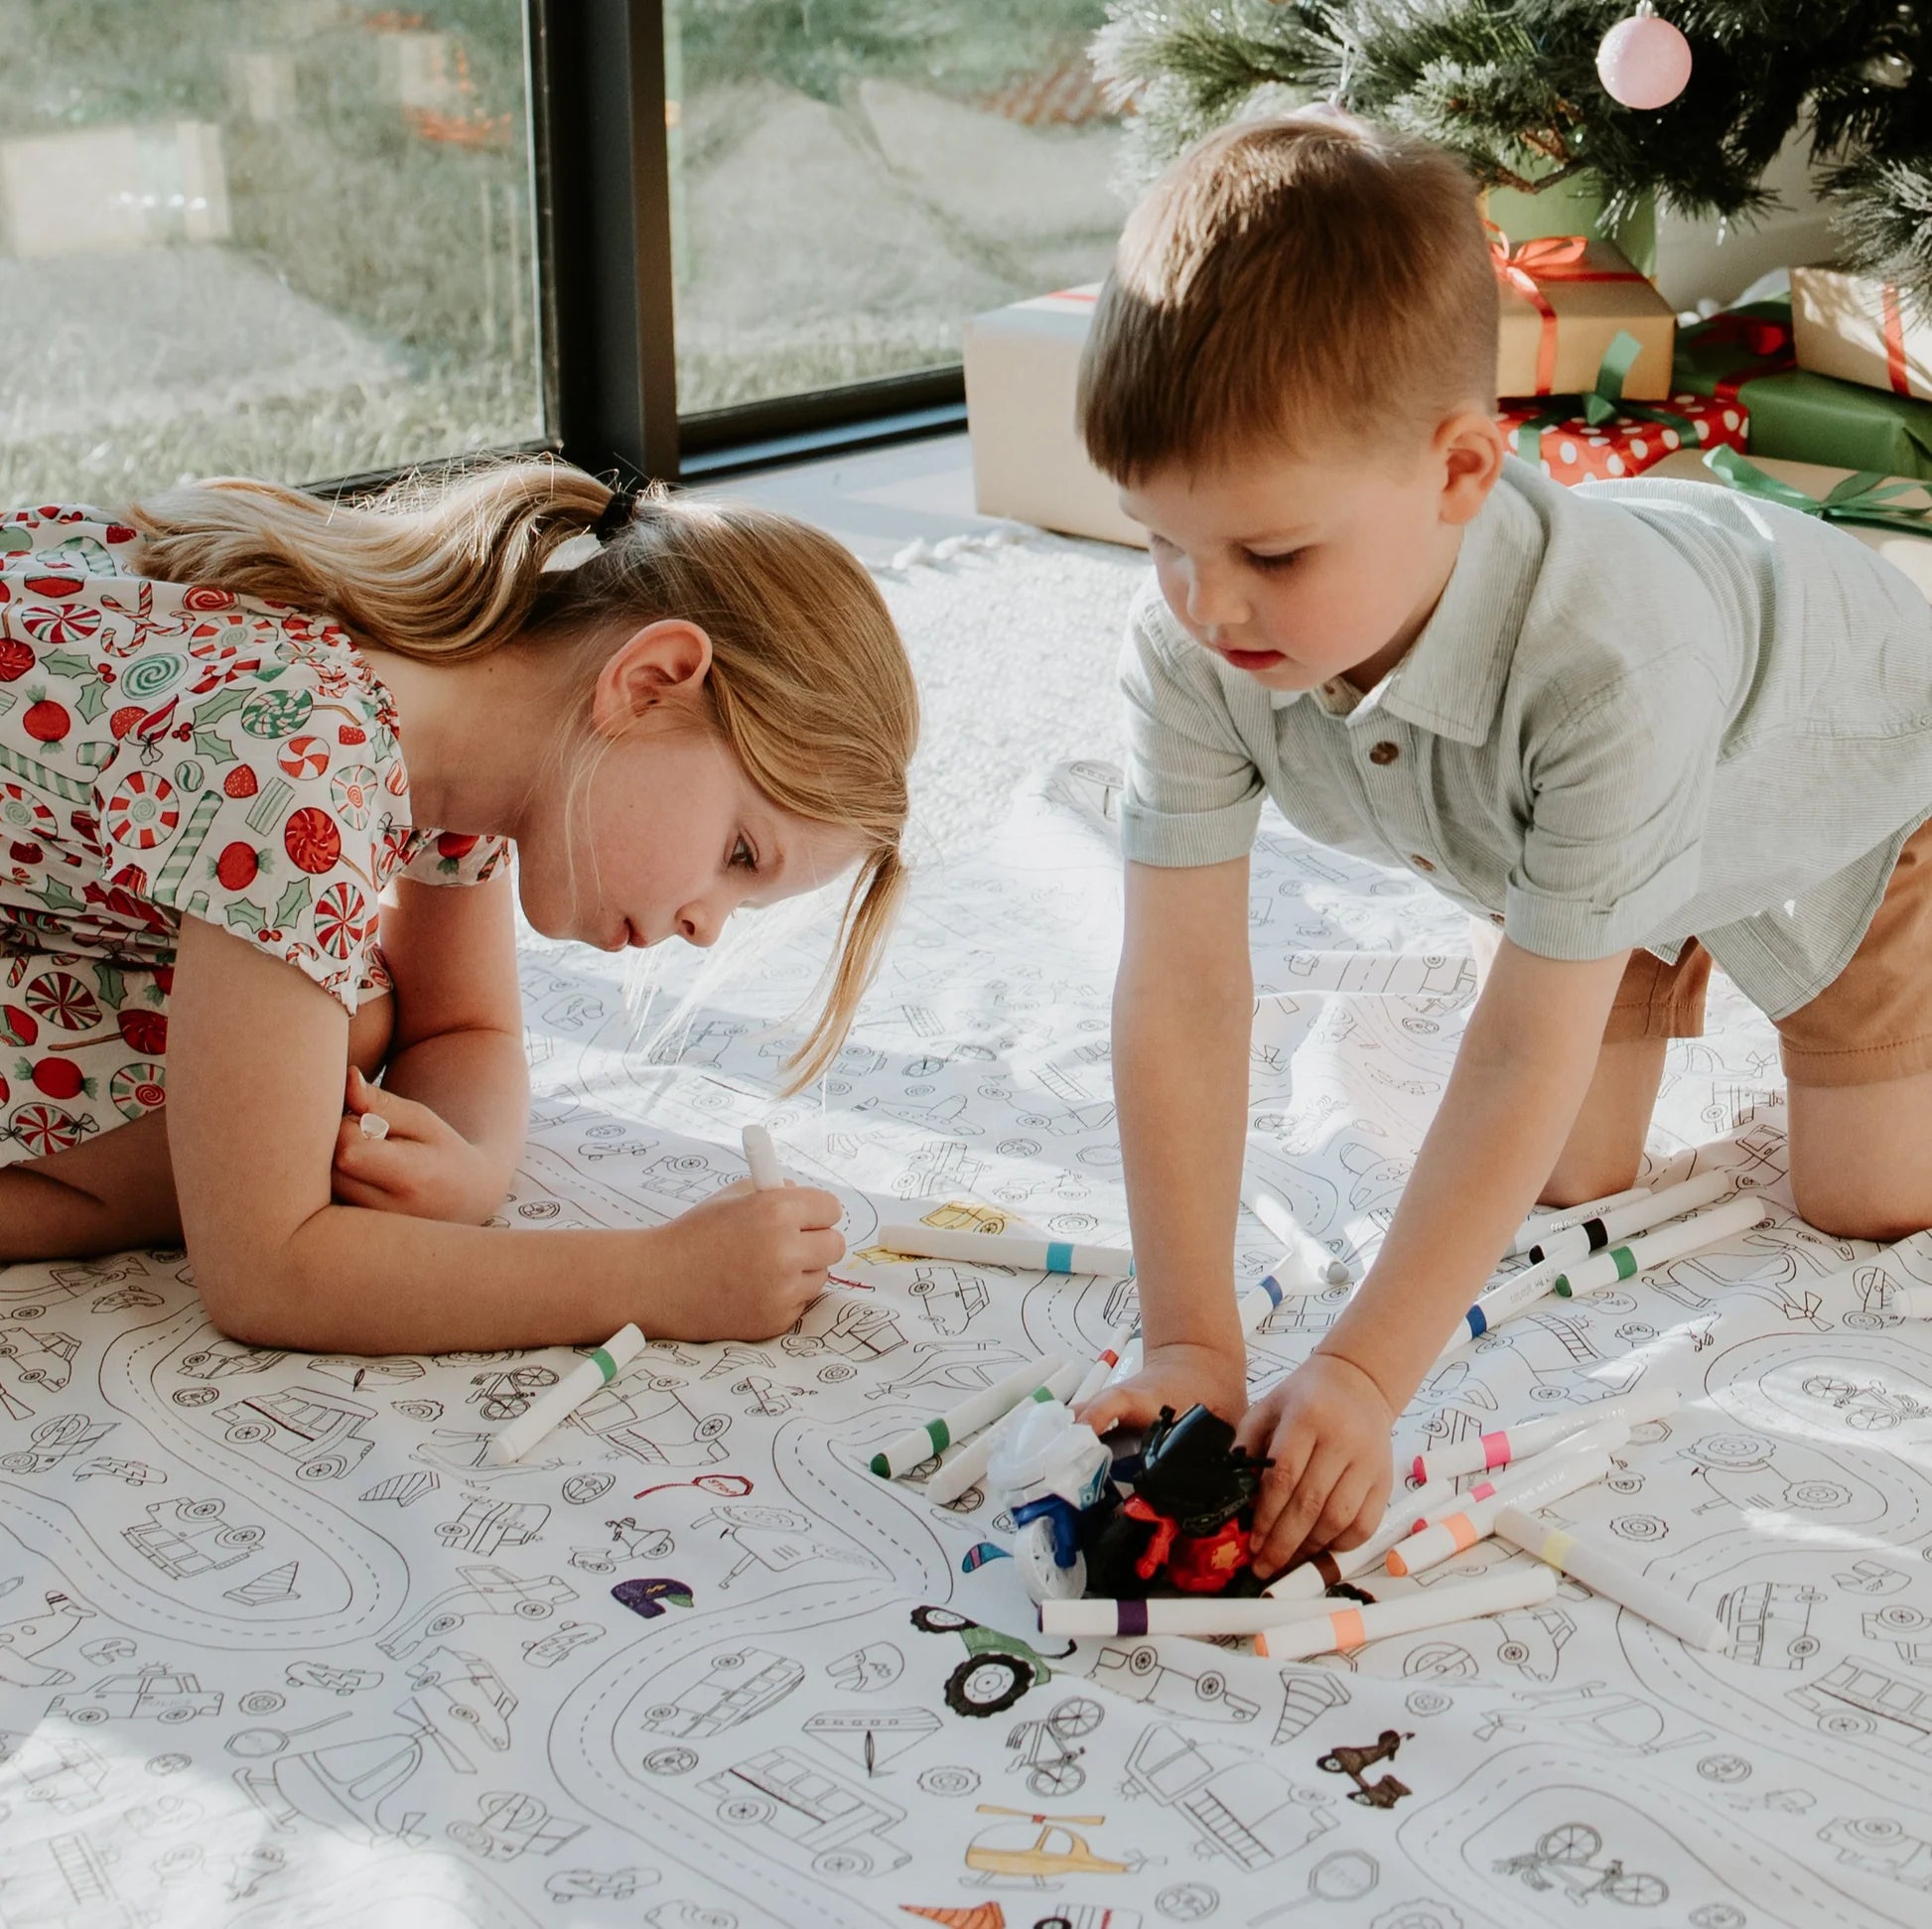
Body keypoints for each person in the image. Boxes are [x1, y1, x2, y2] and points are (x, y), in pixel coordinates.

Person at [1071, 113, 1932, 1574]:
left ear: (1462, 471)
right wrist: (1190, 1336)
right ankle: (1617, 911)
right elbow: (1182, 988)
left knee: (1867, 1197)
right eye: (1161, 539)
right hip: (1585, 833)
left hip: (1843, 798)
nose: (1207, 606)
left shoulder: (1607, 670)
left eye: (1271, 554)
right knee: (1567, 1180)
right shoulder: (1191, 648)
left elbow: (1515, 1050)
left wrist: (1357, 1374)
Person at [0, 463, 917, 1352]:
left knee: (340, 1029)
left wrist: (470, 1168)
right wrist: (657, 1278)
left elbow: (465, 1028)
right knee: (310, 1086)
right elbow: (265, 1272)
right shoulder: (310, 763)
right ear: (647, 683)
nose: (706, 924)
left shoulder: (463, 711)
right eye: (739, 854)